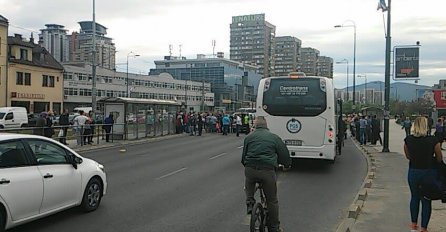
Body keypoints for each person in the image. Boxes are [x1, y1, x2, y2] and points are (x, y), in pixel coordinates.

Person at [241, 116, 291, 232]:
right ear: (266, 125)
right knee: (272, 201)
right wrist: (287, 165)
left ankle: (250, 203)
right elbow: (284, 155)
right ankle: (274, 228)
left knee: (249, 180)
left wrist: (248, 165)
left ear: (255, 125)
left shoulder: (249, 137)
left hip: (250, 169)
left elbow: (243, 158)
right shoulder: (274, 138)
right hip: (267, 171)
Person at [404, 117, 443, 232]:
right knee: (426, 199)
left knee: (414, 197)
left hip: (413, 171)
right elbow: (439, 158)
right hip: (428, 172)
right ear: (426, 126)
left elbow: (408, 156)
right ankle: (424, 228)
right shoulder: (433, 140)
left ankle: (413, 225)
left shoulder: (408, 140)